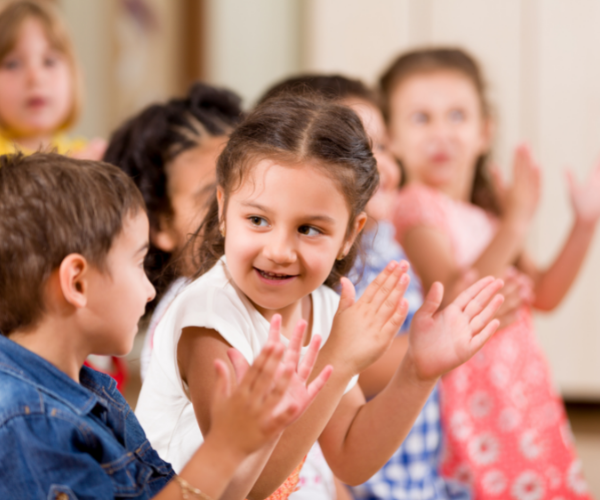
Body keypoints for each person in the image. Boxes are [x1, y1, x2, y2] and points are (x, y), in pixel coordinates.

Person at [135, 94, 506, 500]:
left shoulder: (325, 307)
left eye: (309, 229)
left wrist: (418, 371)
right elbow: (239, 486)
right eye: (257, 220)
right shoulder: (208, 319)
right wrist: (338, 359)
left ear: (350, 234)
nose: (278, 250)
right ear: (223, 209)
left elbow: (351, 457)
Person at [0, 151, 331, 500]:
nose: (150, 290)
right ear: (77, 283)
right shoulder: (30, 422)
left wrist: (264, 429)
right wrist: (224, 447)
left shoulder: (89, 389)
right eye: (138, 263)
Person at [384, 47, 599, 498]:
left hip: (521, 393)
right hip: (473, 399)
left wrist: (583, 224)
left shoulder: (486, 216)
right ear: (392, 137)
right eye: (421, 119)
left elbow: (544, 295)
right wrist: (517, 220)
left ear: (485, 132)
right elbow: (457, 298)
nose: (441, 133)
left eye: (457, 116)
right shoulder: (415, 207)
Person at [103, 81, 244, 379]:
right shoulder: (196, 315)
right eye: (211, 196)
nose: (243, 209)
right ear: (158, 224)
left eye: (248, 186)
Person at [0, 0, 105, 158]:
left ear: (75, 77)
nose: (35, 78)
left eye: (49, 62)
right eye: (13, 64)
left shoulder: (84, 153)